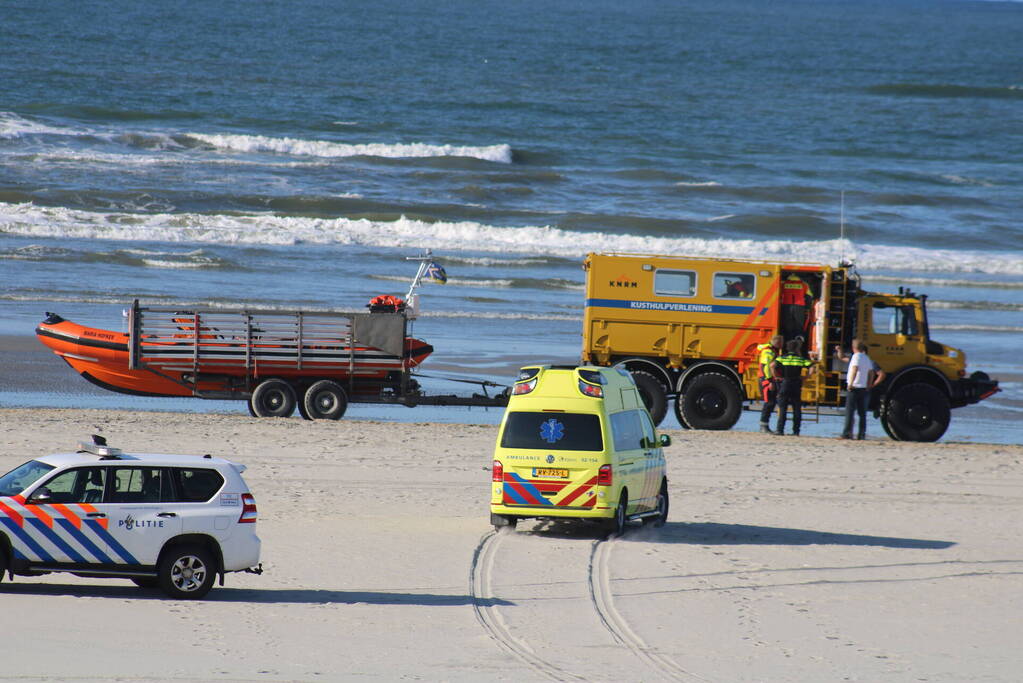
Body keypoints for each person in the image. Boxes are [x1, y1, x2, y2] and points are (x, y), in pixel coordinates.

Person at [836, 339, 886, 440]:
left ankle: (847, 434)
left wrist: (850, 383)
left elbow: (854, 369)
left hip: (855, 388)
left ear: (854, 348)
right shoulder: (867, 359)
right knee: (862, 414)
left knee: (850, 412)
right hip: (864, 389)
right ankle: (861, 434)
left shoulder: (856, 357)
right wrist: (869, 385)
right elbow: (871, 373)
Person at [773, 339, 816, 436]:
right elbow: (812, 366)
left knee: (783, 408)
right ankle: (796, 431)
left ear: (787, 348)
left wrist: (776, 376)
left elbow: (772, 365)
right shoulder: (800, 359)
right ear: (797, 348)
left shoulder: (782, 358)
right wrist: (806, 377)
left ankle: (780, 430)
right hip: (796, 383)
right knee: (796, 408)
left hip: (785, 383)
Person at [757, 335, 784, 433]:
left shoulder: (773, 351)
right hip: (766, 380)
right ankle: (763, 426)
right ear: (777, 343)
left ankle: (764, 425)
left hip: (768, 380)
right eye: (781, 342)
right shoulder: (768, 352)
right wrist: (770, 381)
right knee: (769, 402)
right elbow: (766, 367)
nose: (782, 345)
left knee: (771, 402)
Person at [780, 273, 812, 342]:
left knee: (788, 325)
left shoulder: (783, 284)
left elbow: (778, 294)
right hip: (800, 306)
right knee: (799, 325)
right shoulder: (804, 284)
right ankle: (798, 342)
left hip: (786, 306)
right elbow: (809, 297)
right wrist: (807, 308)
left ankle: (788, 341)